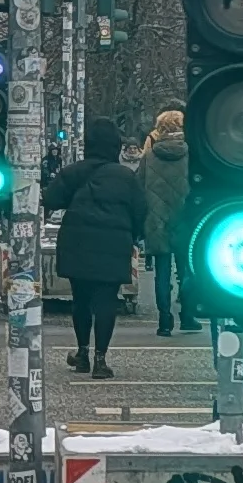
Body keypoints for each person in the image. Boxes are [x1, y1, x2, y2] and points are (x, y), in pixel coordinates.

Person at [48, 118, 150, 378]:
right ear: (115, 146)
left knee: (80, 300)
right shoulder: (126, 177)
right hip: (113, 245)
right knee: (106, 301)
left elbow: (51, 199)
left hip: (77, 243)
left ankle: (82, 352)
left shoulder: (74, 172)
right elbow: (141, 210)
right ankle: (100, 359)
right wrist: (133, 236)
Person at [137, 105, 188, 336]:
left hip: (156, 222)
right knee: (187, 270)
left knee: (162, 272)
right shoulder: (191, 154)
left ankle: (164, 320)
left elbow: (138, 187)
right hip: (186, 220)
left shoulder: (149, 157)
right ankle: (188, 315)